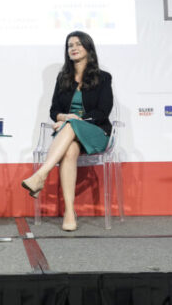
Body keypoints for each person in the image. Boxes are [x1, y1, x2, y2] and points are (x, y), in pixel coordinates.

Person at [21, 31, 113, 232]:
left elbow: (103, 112)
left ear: (88, 48)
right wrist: (64, 117)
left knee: (71, 125)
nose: (74, 48)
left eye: (78, 44)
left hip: (96, 132)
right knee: (70, 151)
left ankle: (41, 175)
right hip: (68, 134)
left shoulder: (103, 78)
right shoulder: (63, 78)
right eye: (70, 45)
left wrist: (74, 120)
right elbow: (54, 111)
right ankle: (70, 212)